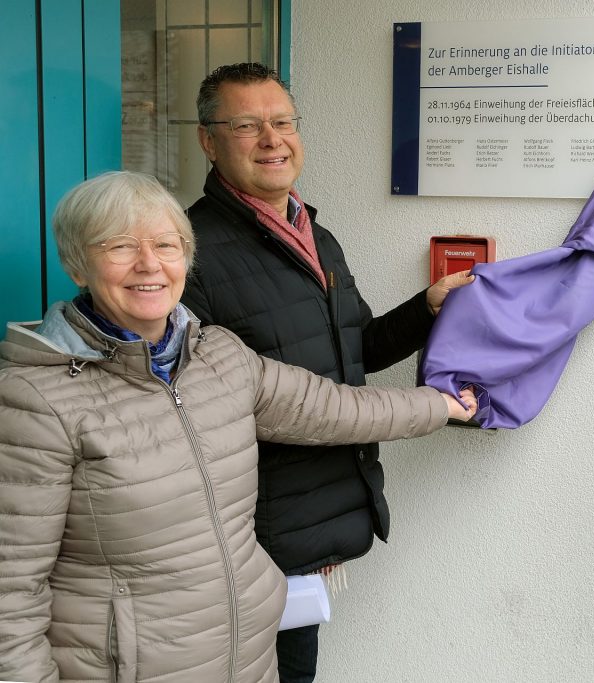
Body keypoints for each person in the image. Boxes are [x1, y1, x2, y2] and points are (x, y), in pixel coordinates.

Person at [0, 171, 477, 683]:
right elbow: (11, 597)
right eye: (120, 246)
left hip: (249, 662)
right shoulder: (36, 399)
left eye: (166, 244)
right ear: (79, 262)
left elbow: (331, 408)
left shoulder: (218, 357)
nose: (149, 264)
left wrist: (439, 406)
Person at [179, 62, 474, 682]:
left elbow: (352, 350)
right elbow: (208, 412)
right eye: (247, 125)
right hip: (249, 538)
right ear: (208, 140)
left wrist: (426, 310)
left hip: (309, 527)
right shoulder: (191, 254)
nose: (272, 139)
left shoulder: (317, 236)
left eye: (283, 121)